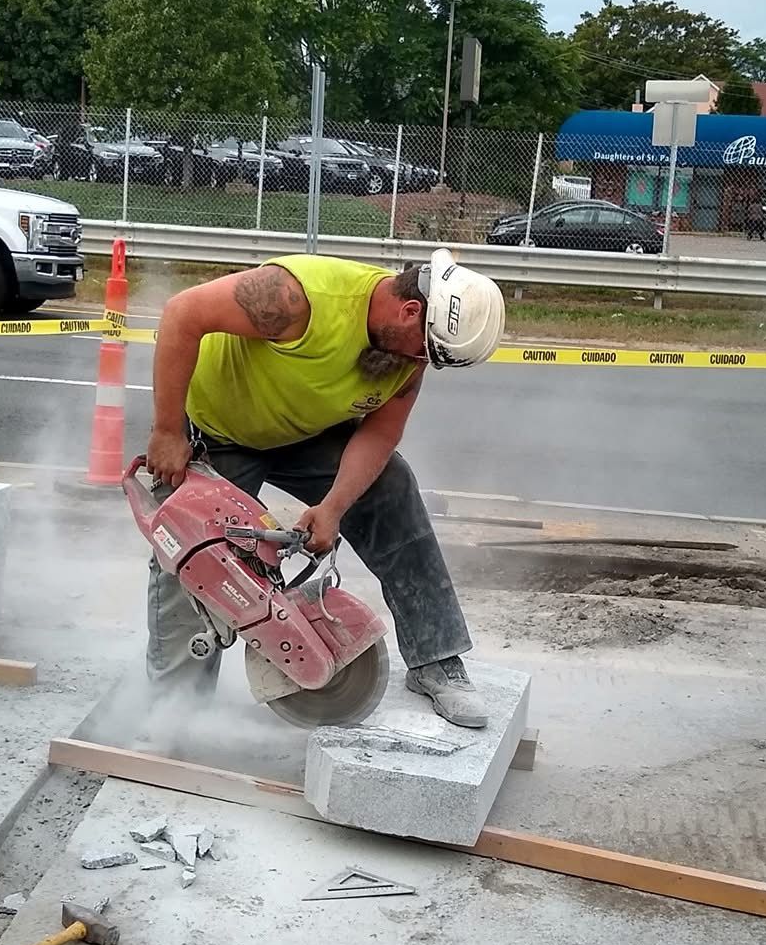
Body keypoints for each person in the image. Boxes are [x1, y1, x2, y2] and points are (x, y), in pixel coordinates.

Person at [145, 249, 505, 728]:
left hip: (307, 435)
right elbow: (182, 314)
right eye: (426, 350)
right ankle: (176, 699)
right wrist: (168, 431)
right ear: (411, 309)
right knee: (192, 547)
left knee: (391, 486)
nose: (421, 362)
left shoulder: (412, 347)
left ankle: (435, 660)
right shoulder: (298, 297)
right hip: (221, 433)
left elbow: (379, 433)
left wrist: (333, 507)